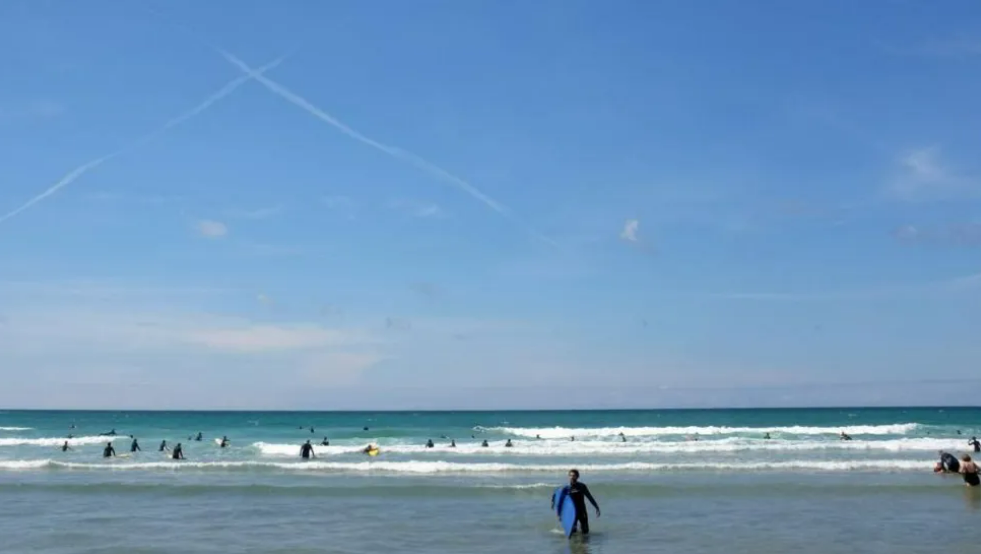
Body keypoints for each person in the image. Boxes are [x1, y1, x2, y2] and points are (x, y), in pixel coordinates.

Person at [551, 469, 600, 535]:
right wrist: (559, 514)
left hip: (582, 511)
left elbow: (589, 497)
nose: (572, 477)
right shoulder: (566, 488)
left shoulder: (582, 486)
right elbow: (560, 502)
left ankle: (584, 543)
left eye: (574, 475)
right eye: (570, 475)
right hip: (572, 513)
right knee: (573, 532)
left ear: (577, 476)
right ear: (568, 476)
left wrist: (596, 507)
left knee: (585, 532)